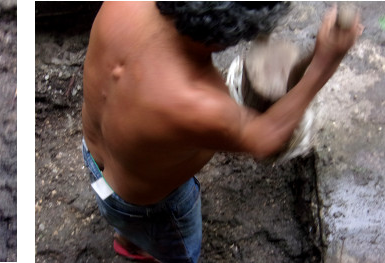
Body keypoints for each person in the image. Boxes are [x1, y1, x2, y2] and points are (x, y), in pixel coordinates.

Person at [81, 2, 361, 262]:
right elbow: (266, 136)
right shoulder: (197, 100)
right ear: (225, 37)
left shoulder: (124, 5)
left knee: (127, 218)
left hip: (97, 160)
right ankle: (147, 244)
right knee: (176, 247)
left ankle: (130, 241)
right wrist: (325, 63)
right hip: (151, 205)